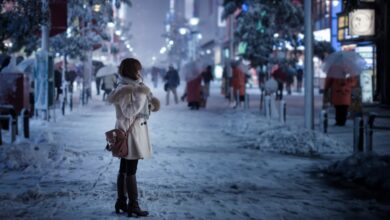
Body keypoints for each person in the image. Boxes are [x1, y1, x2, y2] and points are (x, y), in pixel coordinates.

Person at [107, 58, 160, 217]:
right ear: (131, 71)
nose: (139, 72)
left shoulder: (133, 87)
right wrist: (141, 95)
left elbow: (140, 110)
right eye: (137, 69)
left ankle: (122, 201)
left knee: (125, 167)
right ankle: (133, 204)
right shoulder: (125, 89)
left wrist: (148, 103)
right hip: (130, 135)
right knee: (131, 169)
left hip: (132, 132)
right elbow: (129, 112)